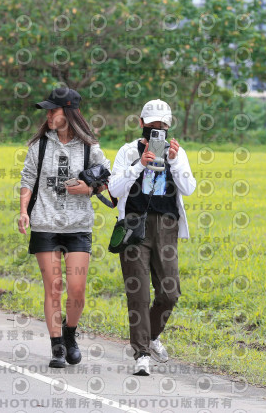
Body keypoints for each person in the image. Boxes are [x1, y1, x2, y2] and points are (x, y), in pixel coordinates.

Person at [18, 87, 110, 368]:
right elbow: (28, 178)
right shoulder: (39, 146)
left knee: (77, 290)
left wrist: (89, 189)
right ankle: (57, 345)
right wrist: (23, 211)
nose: (48, 115)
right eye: (46, 111)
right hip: (44, 223)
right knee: (54, 287)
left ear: (69, 113)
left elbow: (106, 178)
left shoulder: (89, 147)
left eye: (53, 110)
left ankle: (70, 334)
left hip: (78, 226)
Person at [108, 99, 197, 376]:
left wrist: (174, 162)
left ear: (169, 126)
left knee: (170, 293)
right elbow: (114, 189)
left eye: (162, 126)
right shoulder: (127, 151)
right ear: (141, 124)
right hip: (134, 226)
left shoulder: (176, 153)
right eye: (152, 126)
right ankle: (142, 354)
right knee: (138, 293)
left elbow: (189, 188)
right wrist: (138, 165)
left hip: (166, 227)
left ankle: (152, 335)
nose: (157, 130)